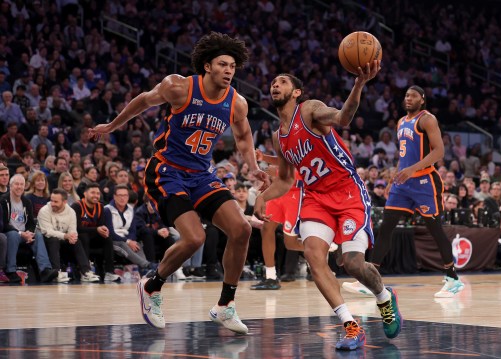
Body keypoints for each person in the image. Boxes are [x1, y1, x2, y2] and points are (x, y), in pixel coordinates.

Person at [89, 32, 267, 332]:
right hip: (166, 171)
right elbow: (143, 102)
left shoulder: (236, 103)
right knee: (195, 237)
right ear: (207, 66)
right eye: (223, 64)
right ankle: (151, 285)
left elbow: (244, 135)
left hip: (201, 174)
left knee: (241, 229)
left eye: (233, 66)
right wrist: (111, 126)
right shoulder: (179, 86)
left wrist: (253, 166)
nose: (229, 71)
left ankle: (225, 305)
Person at [254, 66, 402, 352]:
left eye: (282, 82)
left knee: (354, 264)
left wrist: (358, 84)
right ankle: (350, 325)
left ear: (296, 92)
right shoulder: (278, 137)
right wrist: (264, 197)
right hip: (316, 198)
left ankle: (384, 297)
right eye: (272, 82)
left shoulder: (309, 110)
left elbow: (343, 118)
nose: (275, 85)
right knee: (313, 255)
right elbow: (285, 179)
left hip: (347, 193)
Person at [346, 86, 465, 298]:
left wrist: (411, 170)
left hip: (425, 181)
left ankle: (452, 278)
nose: (408, 99)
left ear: (422, 99)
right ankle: (370, 279)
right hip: (403, 182)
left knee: (435, 229)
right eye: (406, 96)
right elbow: (405, 155)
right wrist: (397, 176)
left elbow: (439, 151)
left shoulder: (427, 119)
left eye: (413, 96)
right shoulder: (401, 122)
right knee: (386, 227)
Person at [251, 150, 304, 290]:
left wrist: (279, 173)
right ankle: (271, 277)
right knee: (266, 228)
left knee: (290, 243)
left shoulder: (308, 140)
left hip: (295, 193)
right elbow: (285, 160)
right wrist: (264, 157)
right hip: (278, 192)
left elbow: (305, 168)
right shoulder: (286, 139)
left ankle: (322, 248)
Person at [2, 174, 58, 283]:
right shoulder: (3, 200)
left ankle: (45, 270)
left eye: (22, 184)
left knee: (37, 234)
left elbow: (32, 223)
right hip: (10, 233)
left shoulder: (27, 202)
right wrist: (20, 233)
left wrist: (29, 232)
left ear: (25, 186)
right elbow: (3, 224)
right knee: (13, 235)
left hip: (24, 234)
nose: (19, 187)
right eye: (16, 184)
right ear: (11, 185)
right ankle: (11, 270)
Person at [38, 188, 100, 283]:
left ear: (64, 202)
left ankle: (85, 272)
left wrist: (72, 237)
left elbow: (72, 230)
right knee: (53, 239)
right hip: (46, 241)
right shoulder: (44, 211)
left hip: (63, 240)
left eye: (56, 201)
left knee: (77, 241)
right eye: (51, 200)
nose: (52, 204)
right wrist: (66, 236)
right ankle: (56, 273)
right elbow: (47, 231)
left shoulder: (71, 212)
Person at [72, 183, 121, 282]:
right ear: (85, 194)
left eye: (98, 193)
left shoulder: (100, 206)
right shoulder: (77, 206)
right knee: (84, 236)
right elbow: (76, 228)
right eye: (92, 193)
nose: (96, 195)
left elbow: (101, 226)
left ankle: (109, 272)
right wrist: (96, 229)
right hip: (78, 238)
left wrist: (104, 230)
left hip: (93, 237)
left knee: (107, 238)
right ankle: (85, 272)